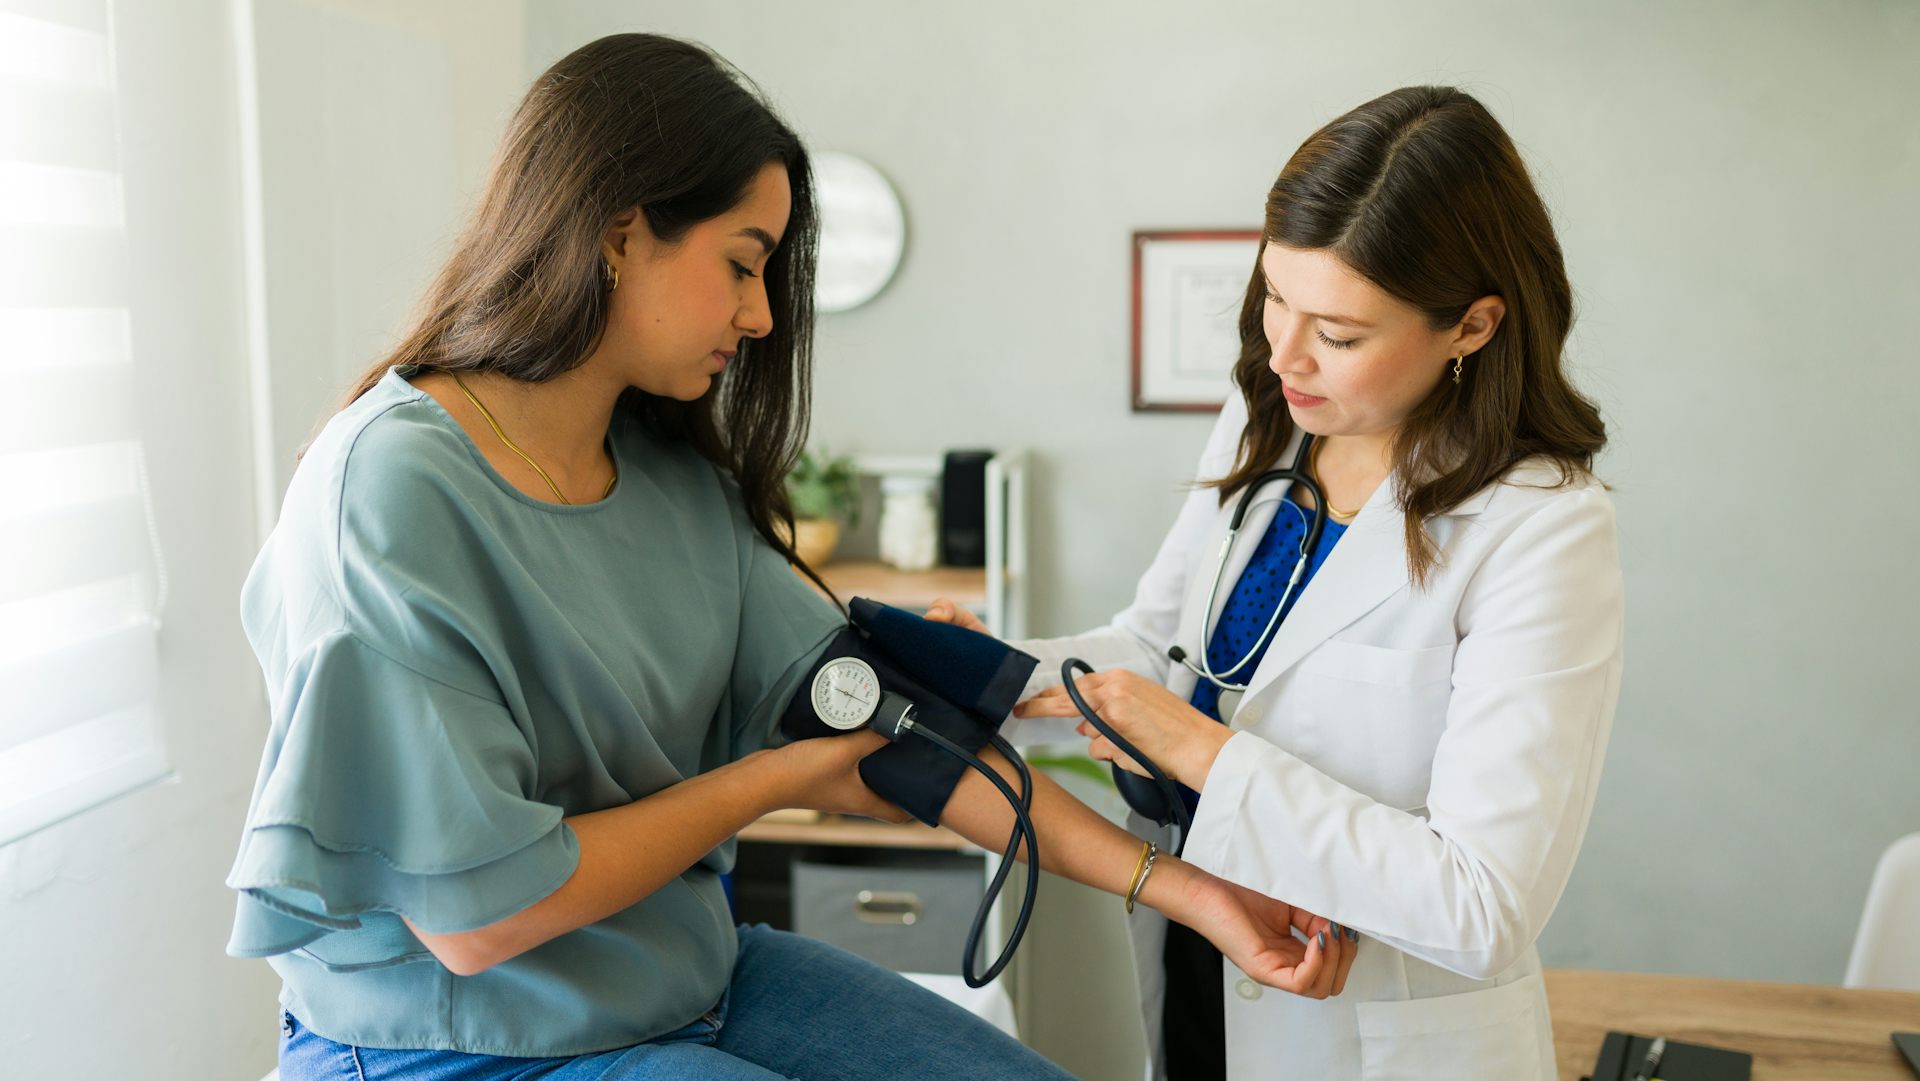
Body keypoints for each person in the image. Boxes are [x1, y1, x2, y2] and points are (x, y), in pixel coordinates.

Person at [225, 33, 1352, 1081]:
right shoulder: (390, 493)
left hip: (685, 980)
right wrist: (780, 777)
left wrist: (1195, 893)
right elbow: (480, 919)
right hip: (465, 1044)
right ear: (620, 235)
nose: (763, 315)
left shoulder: (666, 473)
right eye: (743, 262)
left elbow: (892, 726)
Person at [930, 85, 1623, 1080]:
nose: (1282, 353)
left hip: (1374, 1029)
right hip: (1201, 953)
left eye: (1339, 334)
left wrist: (1212, 758)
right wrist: (997, 672)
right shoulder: (1275, 414)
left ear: (1470, 325)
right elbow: (1164, 648)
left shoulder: (1542, 526)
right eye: (1272, 298)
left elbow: (1484, 906)